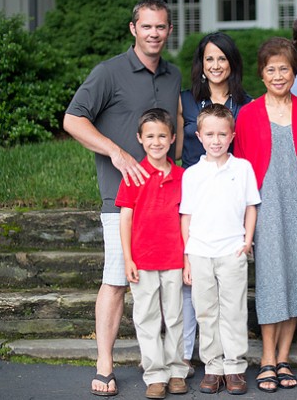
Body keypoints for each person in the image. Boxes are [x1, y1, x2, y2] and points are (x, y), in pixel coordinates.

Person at [63, 0, 180, 397]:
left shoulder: (173, 75)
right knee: (115, 279)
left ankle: (167, 366)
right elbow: (72, 119)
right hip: (122, 200)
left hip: (167, 201)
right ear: (133, 29)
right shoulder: (108, 73)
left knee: (168, 284)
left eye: (160, 27)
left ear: (168, 30)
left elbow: (174, 125)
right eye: (146, 26)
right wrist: (114, 150)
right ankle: (105, 364)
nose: (153, 33)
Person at [234, 37, 297, 393]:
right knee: (272, 280)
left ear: (294, 71)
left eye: (284, 68)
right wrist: (245, 221)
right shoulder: (249, 113)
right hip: (264, 205)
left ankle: (283, 357)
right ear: (261, 73)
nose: (277, 75)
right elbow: (240, 168)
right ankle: (267, 359)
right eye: (270, 69)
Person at [175, 32, 251, 376]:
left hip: (232, 200)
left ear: (232, 63)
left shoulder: (246, 104)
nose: (216, 65)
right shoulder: (185, 101)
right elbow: (176, 153)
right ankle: (204, 360)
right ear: (201, 64)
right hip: (194, 192)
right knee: (201, 298)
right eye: (209, 59)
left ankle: (232, 363)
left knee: (232, 301)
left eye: (222, 58)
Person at [180, 104, 261, 395]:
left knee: (233, 310)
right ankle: (213, 366)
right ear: (199, 136)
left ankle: (234, 366)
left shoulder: (242, 168)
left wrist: (247, 240)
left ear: (232, 136)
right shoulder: (192, 174)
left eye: (222, 134)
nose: (216, 140)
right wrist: (187, 257)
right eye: (210, 134)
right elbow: (186, 216)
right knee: (205, 310)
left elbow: (251, 206)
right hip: (200, 252)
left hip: (232, 250)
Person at [116, 108, 188, 399]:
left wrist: (187, 259)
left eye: (162, 135)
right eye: (150, 136)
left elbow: (187, 219)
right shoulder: (133, 175)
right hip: (143, 259)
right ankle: (155, 375)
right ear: (140, 139)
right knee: (146, 318)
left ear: (172, 138)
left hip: (173, 258)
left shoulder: (184, 177)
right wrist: (128, 258)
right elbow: (125, 218)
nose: (156, 142)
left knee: (174, 317)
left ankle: (176, 371)